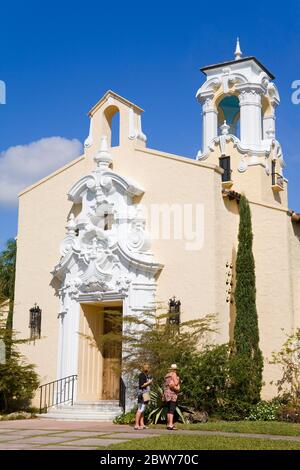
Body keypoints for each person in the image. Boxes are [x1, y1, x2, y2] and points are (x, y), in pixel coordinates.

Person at [134, 363, 153, 430]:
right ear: (144, 368)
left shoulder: (146, 375)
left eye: (148, 367)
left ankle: (142, 424)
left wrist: (149, 382)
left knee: (143, 409)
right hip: (143, 394)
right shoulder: (142, 375)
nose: (148, 368)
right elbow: (141, 385)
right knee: (140, 409)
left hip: (146, 393)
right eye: (147, 367)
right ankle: (136, 425)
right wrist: (149, 382)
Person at [163, 364, 180, 430]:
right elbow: (175, 383)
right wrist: (178, 379)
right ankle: (170, 425)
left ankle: (168, 424)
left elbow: (165, 384)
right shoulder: (174, 374)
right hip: (172, 393)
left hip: (166, 392)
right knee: (172, 409)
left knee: (169, 409)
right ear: (175, 370)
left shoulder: (167, 375)